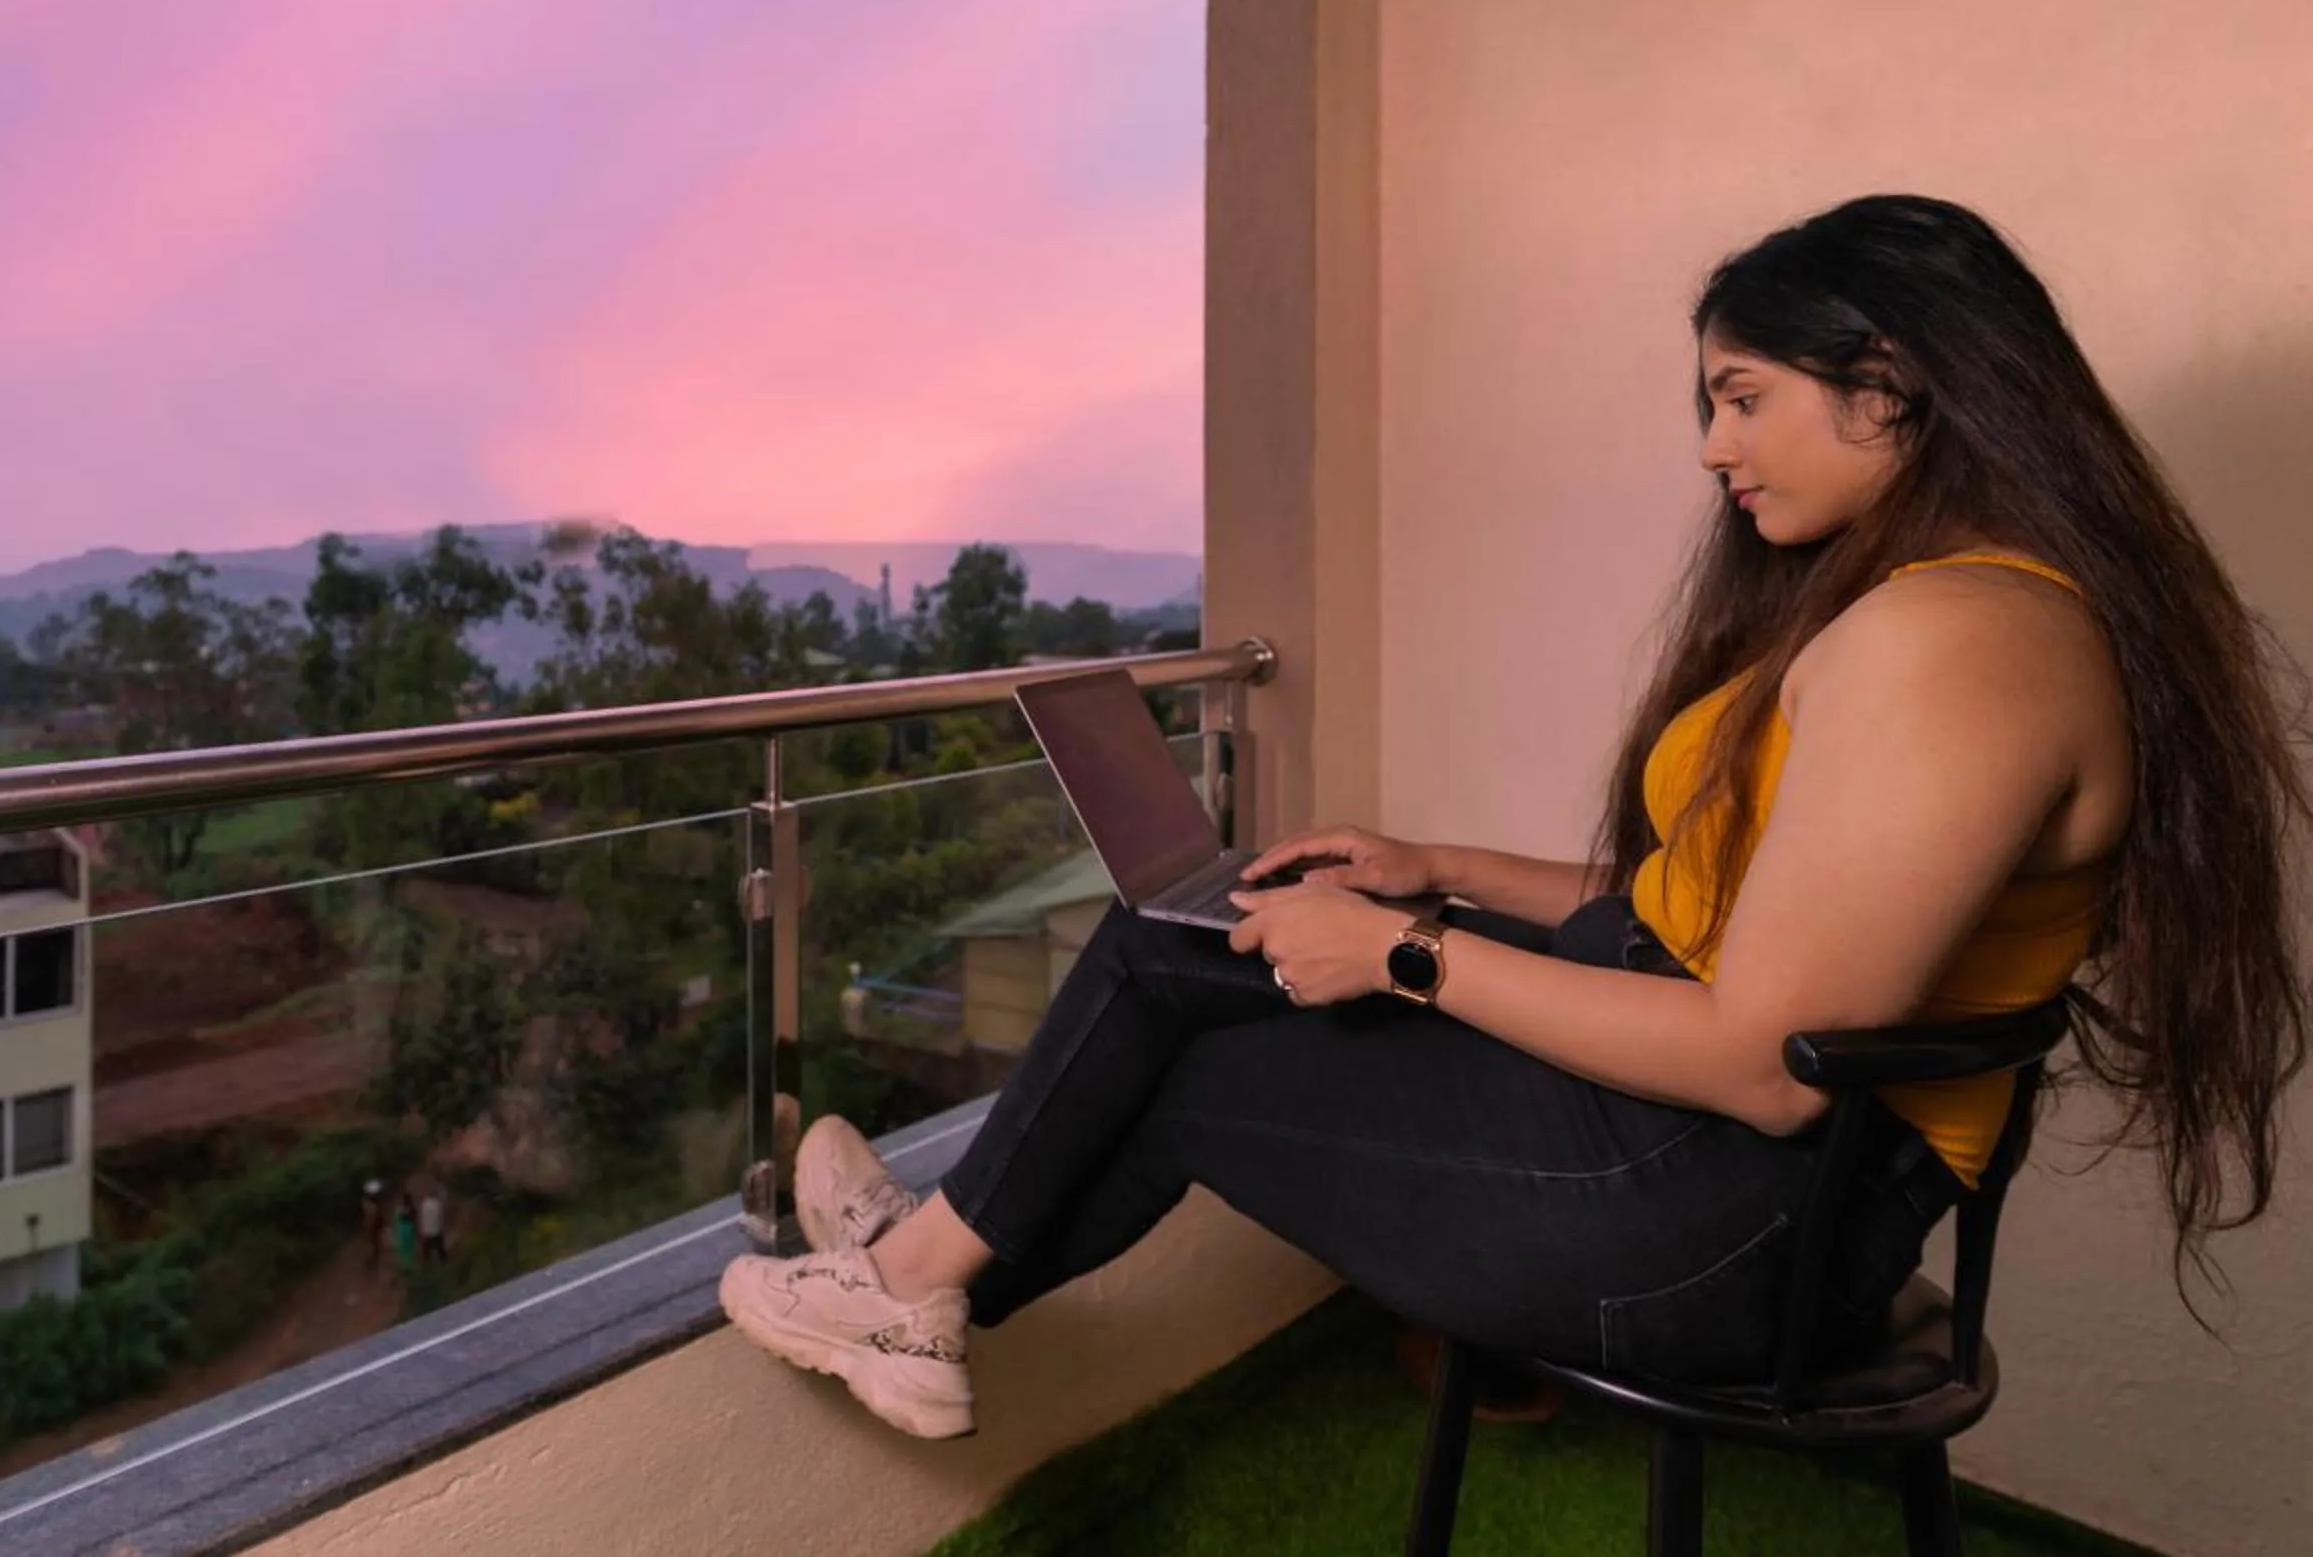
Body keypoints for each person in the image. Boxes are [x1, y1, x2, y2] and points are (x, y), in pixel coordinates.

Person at [721, 195, 2308, 1442]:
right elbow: (1723, 901)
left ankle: (915, 1281)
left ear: (1887, 386)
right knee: (1197, 937)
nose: (1714, 447)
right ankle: (914, 1273)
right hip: (1722, 1169)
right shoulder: (1959, 611)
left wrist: (1406, 954)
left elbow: (1765, 1062)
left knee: (1180, 1017)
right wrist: (1433, 870)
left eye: (1744, 396)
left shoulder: (1955, 641)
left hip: (1726, 1218)